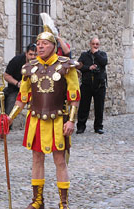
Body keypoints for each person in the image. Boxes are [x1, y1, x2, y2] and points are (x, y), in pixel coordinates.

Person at [7, 29, 80, 208]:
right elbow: (22, 98)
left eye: (44, 44)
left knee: (59, 160)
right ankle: (37, 200)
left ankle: (64, 203)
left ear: (54, 46)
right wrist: (9, 118)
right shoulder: (29, 68)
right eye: (38, 44)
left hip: (58, 119)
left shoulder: (66, 66)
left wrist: (71, 120)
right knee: (37, 159)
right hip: (36, 120)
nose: (40, 46)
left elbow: (74, 96)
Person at [76, 37, 108, 134]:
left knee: (99, 107)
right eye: (93, 44)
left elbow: (104, 62)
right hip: (87, 84)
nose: (95, 46)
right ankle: (81, 126)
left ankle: (98, 127)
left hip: (99, 85)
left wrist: (96, 53)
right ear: (90, 44)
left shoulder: (102, 54)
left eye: (97, 44)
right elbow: (79, 66)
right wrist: (88, 67)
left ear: (99, 45)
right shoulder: (84, 55)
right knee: (83, 107)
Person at [3, 43, 37, 116]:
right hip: (16, 90)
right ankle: (8, 125)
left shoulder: (40, 62)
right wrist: (17, 83)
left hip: (34, 90)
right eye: (31, 54)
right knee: (10, 110)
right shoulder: (16, 60)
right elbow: (6, 75)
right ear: (26, 54)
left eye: (35, 55)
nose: (33, 57)